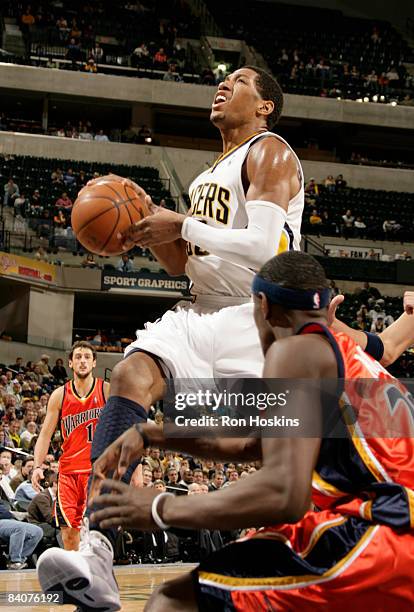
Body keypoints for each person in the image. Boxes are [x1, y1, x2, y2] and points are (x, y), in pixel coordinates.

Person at [37, 65, 304, 607]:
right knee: (131, 374)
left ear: (264, 106)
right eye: (223, 79)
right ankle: (98, 548)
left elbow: (265, 247)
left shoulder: (270, 151)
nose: (224, 84)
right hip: (203, 310)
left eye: (241, 81)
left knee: (285, 457)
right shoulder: (210, 176)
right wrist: (144, 229)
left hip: (260, 315)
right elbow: (191, 263)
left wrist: (178, 222)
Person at [84, 251, 414, 610]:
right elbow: (250, 444)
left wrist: (162, 508)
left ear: (262, 304)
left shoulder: (295, 351)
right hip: (387, 528)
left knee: (172, 601)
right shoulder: (348, 357)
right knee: (239, 559)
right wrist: (157, 434)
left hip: (386, 536)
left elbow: (285, 495)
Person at [32, 342, 109, 550]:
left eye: (86, 357)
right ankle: (76, 577)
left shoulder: (106, 390)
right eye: (78, 357)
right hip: (68, 473)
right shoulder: (59, 395)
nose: (82, 361)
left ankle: (95, 574)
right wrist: (37, 466)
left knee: (93, 531)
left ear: (94, 363)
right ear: (70, 362)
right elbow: (45, 435)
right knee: (68, 533)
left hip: (96, 472)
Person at [0, 499, 43, 570]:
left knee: (37, 531)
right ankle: (15, 561)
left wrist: (16, 514)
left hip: (9, 520)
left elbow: (5, 511)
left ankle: (18, 560)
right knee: (19, 528)